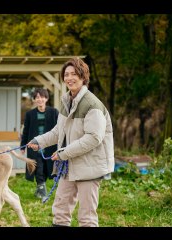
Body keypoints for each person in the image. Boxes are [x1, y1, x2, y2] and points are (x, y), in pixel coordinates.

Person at [27, 57, 114, 227]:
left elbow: (93, 138)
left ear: (83, 77)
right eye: (66, 74)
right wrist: (39, 140)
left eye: (74, 74)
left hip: (89, 167)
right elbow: (59, 131)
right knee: (60, 210)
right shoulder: (67, 101)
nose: (69, 78)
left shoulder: (92, 104)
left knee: (87, 216)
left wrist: (63, 153)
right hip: (68, 166)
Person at [20, 88, 59, 200]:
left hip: (50, 146)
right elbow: (26, 131)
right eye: (37, 97)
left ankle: (39, 189)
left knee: (48, 169)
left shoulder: (54, 112)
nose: (39, 99)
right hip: (35, 146)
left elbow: (60, 129)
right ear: (34, 100)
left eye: (42, 97)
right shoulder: (30, 114)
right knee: (38, 167)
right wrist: (23, 145)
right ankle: (42, 190)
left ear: (46, 98)